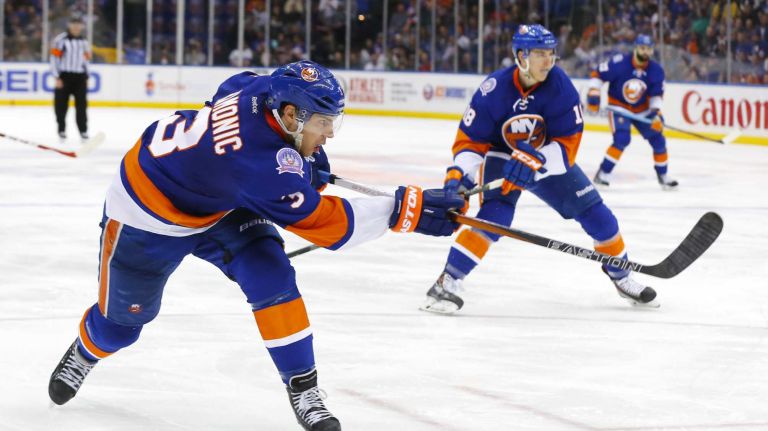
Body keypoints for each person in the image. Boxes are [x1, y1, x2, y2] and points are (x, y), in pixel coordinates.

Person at [47, 60, 464, 431]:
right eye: (323, 122)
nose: (330, 134)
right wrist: (406, 210)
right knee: (120, 328)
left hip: (221, 199)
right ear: (290, 115)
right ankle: (87, 350)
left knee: (271, 274)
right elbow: (329, 226)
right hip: (145, 218)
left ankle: (303, 388)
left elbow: (233, 84)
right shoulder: (261, 167)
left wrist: (298, 155)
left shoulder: (263, 91)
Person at [419, 25, 659, 315]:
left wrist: (537, 160)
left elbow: (568, 144)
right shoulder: (493, 90)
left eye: (551, 53)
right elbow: (471, 141)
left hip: (546, 156)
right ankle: (448, 280)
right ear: (521, 56)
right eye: (540, 54)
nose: (549, 60)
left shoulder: (561, 87)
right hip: (502, 155)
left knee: (598, 215)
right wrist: (458, 177)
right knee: (496, 216)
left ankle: (621, 276)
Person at [587, 34, 678, 190]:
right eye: (642, 48)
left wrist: (656, 114)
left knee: (659, 141)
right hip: (619, 107)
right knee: (622, 139)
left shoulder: (656, 71)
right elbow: (598, 74)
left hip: (643, 110)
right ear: (636, 47)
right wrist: (594, 93)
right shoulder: (619, 63)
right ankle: (603, 174)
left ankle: (663, 176)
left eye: (648, 49)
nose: (645, 52)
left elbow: (656, 95)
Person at [50, 13, 91, 143]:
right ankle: (61, 129)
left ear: (81, 26)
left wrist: (87, 76)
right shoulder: (60, 40)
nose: (76, 27)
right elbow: (54, 59)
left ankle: (83, 131)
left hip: (79, 77)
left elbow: (86, 60)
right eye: (73, 24)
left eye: (78, 24)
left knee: (82, 106)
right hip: (64, 77)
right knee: (60, 106)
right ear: (69, 25)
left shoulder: (84, 42)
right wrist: (57, 77)